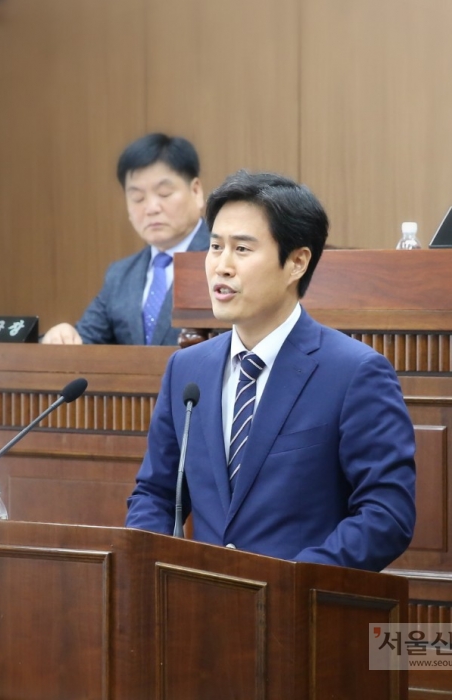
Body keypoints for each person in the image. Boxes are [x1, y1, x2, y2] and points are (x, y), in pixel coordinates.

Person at [125, 170, 416, 572]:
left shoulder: (354, 373)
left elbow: (387, 515)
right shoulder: (186, 369)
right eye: (215, 246)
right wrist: (151, 566)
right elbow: (155, 494)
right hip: (200, 601)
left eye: (242, 249)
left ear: (297, 262)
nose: (221, 266)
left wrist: (288, 581)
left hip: (300, 602)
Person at [42, 133, 209, 346]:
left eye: (164, 193)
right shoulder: (120, 275)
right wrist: (63, 336)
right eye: (138, 198)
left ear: (196, 191)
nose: (151, 208)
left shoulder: (224, 258)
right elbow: (86, 340)